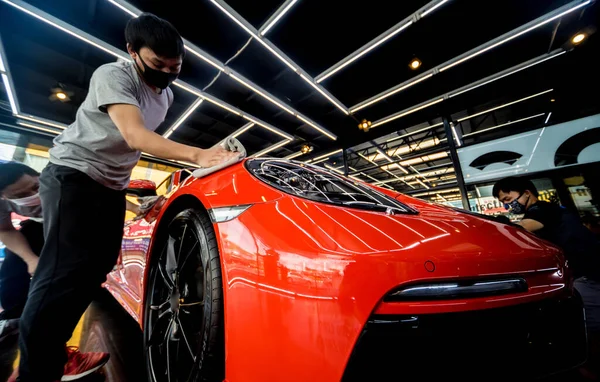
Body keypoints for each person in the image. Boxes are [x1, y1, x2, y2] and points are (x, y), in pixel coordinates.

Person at [12, 13, 237, 382]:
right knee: (63, 271)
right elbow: (134, 137)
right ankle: (35, 373)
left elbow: (123, 152)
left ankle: (52, 353)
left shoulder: (166, 96)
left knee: (95, 269)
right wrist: (200, 155)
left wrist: (134, 199)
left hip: (110, 186)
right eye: (156, 64)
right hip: (73, 175)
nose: (166, 72)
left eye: (174, 66)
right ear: (132, 52)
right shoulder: (113, 75)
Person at [493, 176, 600, 378]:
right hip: (585, 273)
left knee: (589, 330)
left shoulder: (541, 210)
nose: (507, 205)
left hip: (588, 276)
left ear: (527, 193)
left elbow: (520, 230)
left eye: (508, 198)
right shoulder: (552, 209)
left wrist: (496, 223)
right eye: (503, 203)